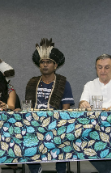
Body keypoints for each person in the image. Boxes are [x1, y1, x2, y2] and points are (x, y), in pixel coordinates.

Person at [25, 38, 75, 173]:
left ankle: (61, 170)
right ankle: (35, 168)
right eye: (42, 62)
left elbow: (66, 110)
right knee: (24, 135)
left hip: (56, 125)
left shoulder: (63, 83)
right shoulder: (32, 83)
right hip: (34, 125)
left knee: (64, 136)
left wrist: (57, 124)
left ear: (55, 65)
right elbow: (27, 108)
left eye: (48, 62)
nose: (45, 65)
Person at [79, 53, 111, 173]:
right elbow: (82, 101)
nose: (103, 70)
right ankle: (109, 170)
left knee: (102, 141)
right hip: (94, 128)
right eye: (100, 67)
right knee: (80, 139)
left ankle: (108, 169)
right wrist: (83, 104)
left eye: (107, 67)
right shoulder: (89, 84)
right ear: (96, 68)